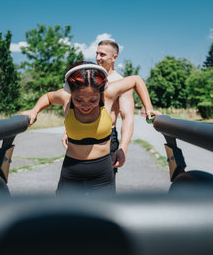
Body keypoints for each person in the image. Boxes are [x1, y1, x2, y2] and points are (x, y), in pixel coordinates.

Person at [21, 61, 159, 195]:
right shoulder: (65, 97)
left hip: (103, 174)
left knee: (102, 216)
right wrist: (34, 111)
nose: (85, 105)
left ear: (101, 92)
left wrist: (149, 109)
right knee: (65, 217)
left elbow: (136, 80)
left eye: (93, 100)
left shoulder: (108, 94)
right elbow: (48, 97)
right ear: (70, 91)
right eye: (79, 100)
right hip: (71, 173)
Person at [62, 40, 135, 186]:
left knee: (103, 188)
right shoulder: (87, 78)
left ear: (114, 58)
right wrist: (69, 130)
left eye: (102, 54)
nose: (98, 58)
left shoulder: (120, 82)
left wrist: (123, 147)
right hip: (81, 138)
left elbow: (127, 117)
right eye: (97, 53)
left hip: (106, 138)